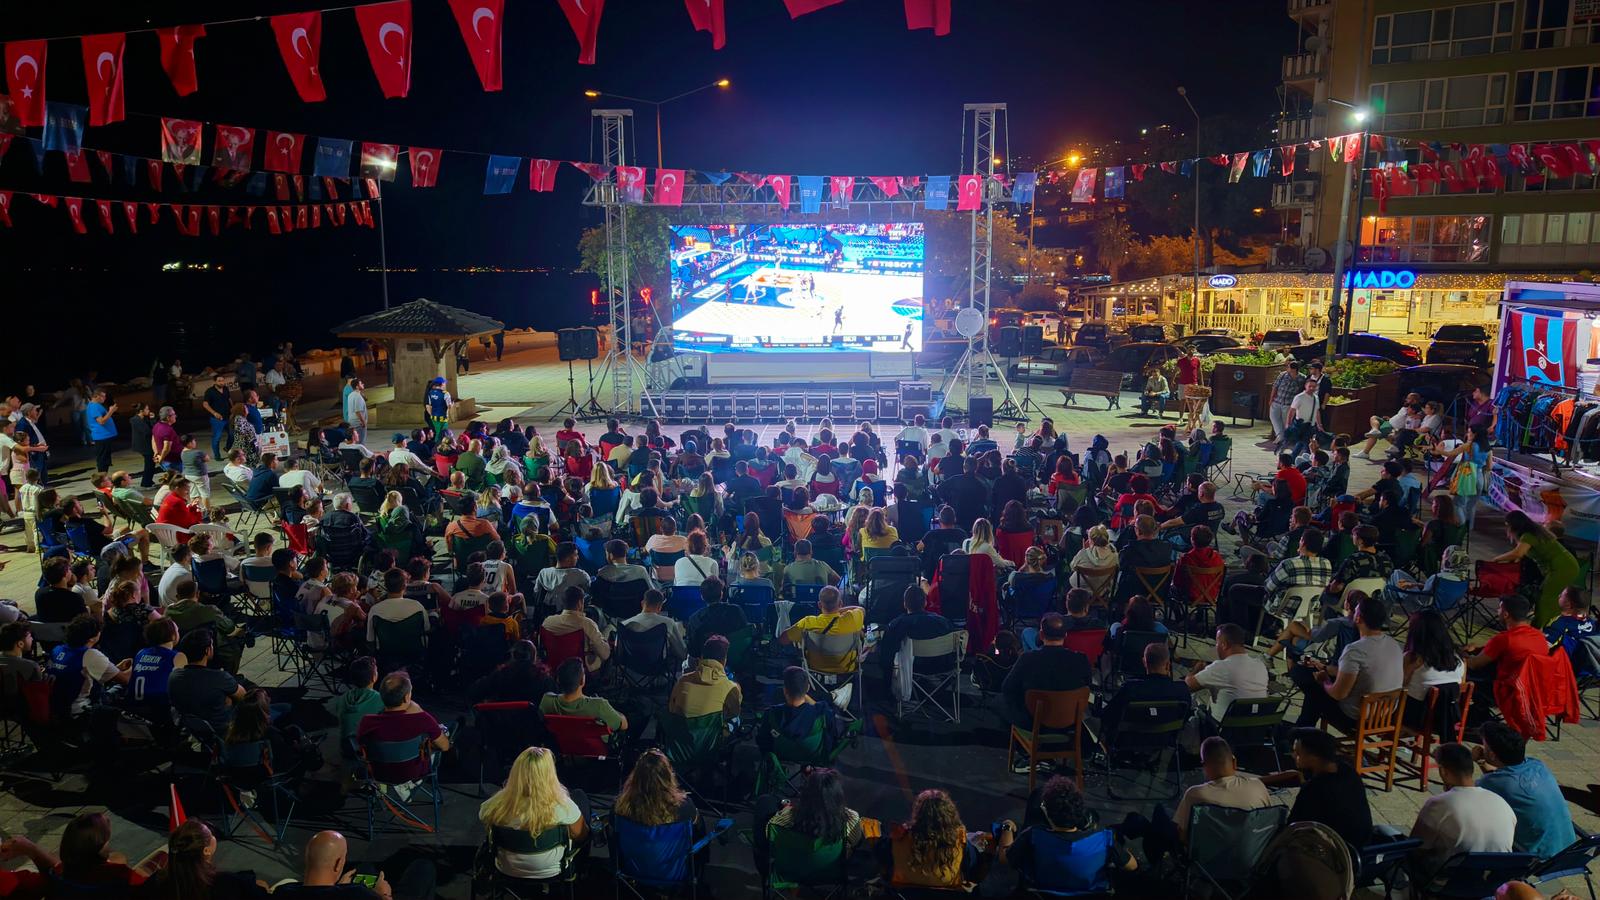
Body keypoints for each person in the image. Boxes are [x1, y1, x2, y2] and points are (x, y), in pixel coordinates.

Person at [1120, 737, 1275, 867]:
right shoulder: (1258, 786)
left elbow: (1182, 836)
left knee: (1160, 814)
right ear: (1234, 761)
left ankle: (1153, 864)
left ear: (1205, 767)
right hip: (1250, 858)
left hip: (1207, 861)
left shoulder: (1197, 794)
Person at [995, 776, 1136, 889]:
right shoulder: (1105, 839)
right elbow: (1132, 866)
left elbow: (1004, 859)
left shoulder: (1033, 835)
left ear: (1047, 813)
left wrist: (1007, 827)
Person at [478, 746, 592, 881]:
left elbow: (484, 820)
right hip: (553, 871)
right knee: (580, 797)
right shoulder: (564, 807)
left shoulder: (495, 805)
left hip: (507, 868)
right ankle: (582, 872)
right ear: (550, 775)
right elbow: (581, 836)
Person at [1295, 594, 1404, 729]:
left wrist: (1324, 681)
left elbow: (1338, 694)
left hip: (1354, 718)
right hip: (1384, 716)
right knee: (1317, 691)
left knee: (1309, 682)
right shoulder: (1395, 645)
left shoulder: (1355, 650)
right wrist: (1325, 669)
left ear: (1358, 618)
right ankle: (1303, 732)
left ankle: (1302, 731)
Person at [1474, 720, 1576, 860]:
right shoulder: (1537, 765)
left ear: (1492, 754)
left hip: (1538, 857)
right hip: (1569, 849)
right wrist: (1482, 762)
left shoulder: (1494, 783)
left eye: (1484, 746)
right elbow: (1502, 781)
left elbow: (1463, 794)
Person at [1408, 742, 1516, 873]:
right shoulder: (1500, 802)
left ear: (1443, 771)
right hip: (1491, 880)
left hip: (1449, 882)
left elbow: (1417, 846)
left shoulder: (1439, 804)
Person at [752, 768, 865, 880]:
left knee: (765, 801)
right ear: (838, 795)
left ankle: (766, 875)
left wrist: (787, 809)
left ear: (805, 794)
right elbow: (856, 842)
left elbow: (768, 832)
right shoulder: (852, 818)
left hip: (789, 869)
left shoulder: (787, 818)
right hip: (829, 873)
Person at [878, 789, 995, 888]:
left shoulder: (898, 840)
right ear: (950, 816)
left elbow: (883, 857)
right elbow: (974, 872)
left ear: (918, 814)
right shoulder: (962, 845)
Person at [272, 829, 437, 900]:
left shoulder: (283, 893)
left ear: (307, 858)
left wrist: (339, 886)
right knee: (424, 868)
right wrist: (383, 895)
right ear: (338, 864)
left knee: (365, 869)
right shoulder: (356, 895)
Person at [1001, 613, 1090, 743]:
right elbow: (1086, 686)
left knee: (999, 702)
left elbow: (1007, 688)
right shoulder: (1081, 659)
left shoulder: (1028, 659)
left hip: (1033, 723)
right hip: (1070, 722)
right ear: (1065, 635)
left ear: (1041, 635)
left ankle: (1023, 747)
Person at [1281, 727, 1372, 852]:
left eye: (1297, 753)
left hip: (1336, 853)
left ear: (1314, 757)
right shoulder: (1346, 770)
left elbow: (1292, 828)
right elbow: (1297, 775)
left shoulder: (1315, 789)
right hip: (1361, 842)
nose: (1293, 756)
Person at [356, 671, 449, 784]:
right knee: (444, 734)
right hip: (413, 774)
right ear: (406, 697)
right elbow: (445, 747)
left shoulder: (367, 721)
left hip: (378, 774)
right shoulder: (422, 719)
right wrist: (418, 710)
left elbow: (360, 746)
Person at [1491, 510, 1579, 627]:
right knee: (1550, 598)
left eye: (1508, 525)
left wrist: (1496, 559)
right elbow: (1520, 555)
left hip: (1562, 568)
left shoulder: (1528, 535)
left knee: (1544, 598)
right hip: (1564, 566)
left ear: (1515, 524)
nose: (1507, 528)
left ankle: (1539, 627)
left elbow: (1518, 553)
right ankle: (1552, 624)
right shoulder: (1532, 532)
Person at [1100, 639, 1191, 738]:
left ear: (1144, 662)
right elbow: (1183, 722)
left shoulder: (1130, 689)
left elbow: (1108, 717)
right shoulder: (1182, 691)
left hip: (1129, 742)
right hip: (1165, 742)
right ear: (1168, 665)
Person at [47, 614, 131, 718]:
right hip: (80, 712)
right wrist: (137, 664)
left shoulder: (57, 650)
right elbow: (126, 679)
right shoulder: (90, 655)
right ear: (91, 638)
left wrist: (117, 668)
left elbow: (78, 674)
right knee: (123, 687)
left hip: (54, 708)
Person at [1185, 624, 1269, 728]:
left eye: (1217, 643)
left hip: (1221, 730)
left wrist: (1196, 669)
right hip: (1254, 729)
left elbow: (1187, 686)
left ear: (1224, 645)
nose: (1216, 646)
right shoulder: (1260, 665)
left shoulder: (1220, 667)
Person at [1464, 596, 1547, 701]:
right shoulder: (1539, 636)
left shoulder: (1504, 639)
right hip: (1529, 690)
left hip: (1504, 691)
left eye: (1499, 609)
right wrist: (1479, 649)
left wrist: (1458, 657)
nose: (1497, 611)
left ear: (1506, 614)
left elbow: (1474, 664)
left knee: (1457, 672)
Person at [168, 629, 247, 735]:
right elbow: (244, 696)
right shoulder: (219, 678)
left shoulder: (174, 677)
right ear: (207, 650)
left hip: (194, 727)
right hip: (223, 728)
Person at [1401, 608, 1466, 729]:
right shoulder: (1458, 657)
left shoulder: (1414, 658)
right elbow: (1460, 686)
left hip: (1417, 718)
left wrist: (1410, 669)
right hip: (1449, 717)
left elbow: (1398, 685)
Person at [541, 657, 627, 733]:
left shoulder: (547, 701)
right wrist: (616, 712)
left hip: (562, 746)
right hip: (598, 749)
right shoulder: (599, 706)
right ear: (582, 681)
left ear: (558, 680)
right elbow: (623, 725)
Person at [541, 586, 610, 672]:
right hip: (580, 668)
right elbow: (605, 655)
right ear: (580, 603)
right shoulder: (587, 624)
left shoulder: (547, 622)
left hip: (554, 664)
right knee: (609, 629)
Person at [365, 569, 431, 646]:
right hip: (414, 654)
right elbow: (427, 629)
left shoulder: (375, 610)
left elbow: (370, 639)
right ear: (405, 586)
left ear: (385, 586)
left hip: (385, 655)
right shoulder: (417, 607)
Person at [622, 588, 688, 661]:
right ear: (660, 607)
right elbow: (682, 654)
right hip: (657, 667)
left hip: (631, 666)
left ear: (642, 603)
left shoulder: (625, 624)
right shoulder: (668, 623)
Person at [533, 541, 591, 607]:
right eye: (575, 555)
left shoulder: (543, 573)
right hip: (571, 612)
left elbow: (536, 592)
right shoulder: (580, 575)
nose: (578, 557)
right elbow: (589, 591)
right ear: (568, 559)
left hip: (547, 611)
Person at [1544, 586, 1594, 661]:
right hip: (1592, 666)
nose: (1559, 596)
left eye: (1561, 595)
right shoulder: (1592, 622)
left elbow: (1543, 649)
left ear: (1568, 605)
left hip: (1568, 668)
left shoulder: (1558, 625)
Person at [1267, 359, 1303, 443]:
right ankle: (1280, 435)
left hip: (1289, 403)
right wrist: (1271, 398)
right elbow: (1275, 386)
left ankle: (1285, 438)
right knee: (1274, 418)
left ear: (1294, 369)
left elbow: (1300, 391)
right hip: (1277, 401)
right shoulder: (1283, 375)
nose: (1287, 368)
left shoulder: (1302, 378)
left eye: (1288, 367)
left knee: (1285, 421)